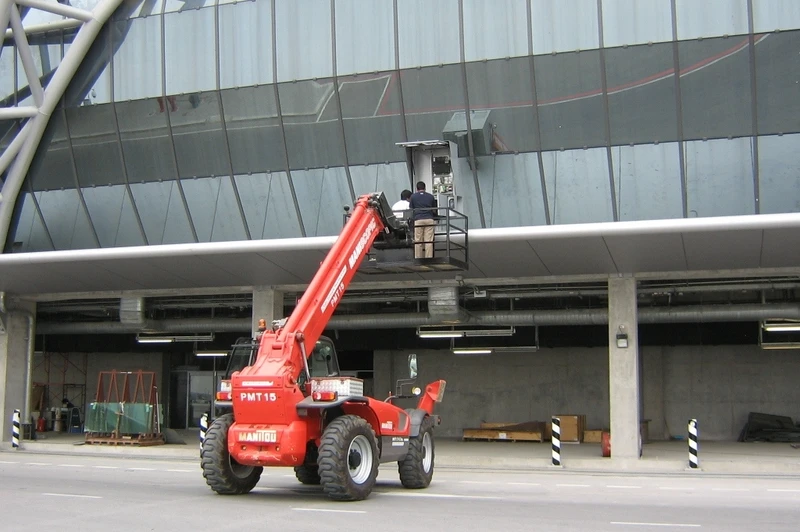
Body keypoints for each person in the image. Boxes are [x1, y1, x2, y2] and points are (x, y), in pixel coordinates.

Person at [409, 181, 437, 259]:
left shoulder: (413, 197)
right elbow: (434, 209)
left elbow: (411, 209)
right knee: (429, 241)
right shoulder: (431, 196)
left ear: (417, 188)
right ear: (425, 188)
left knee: (418, 241)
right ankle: (428, 258)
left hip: (418, 219)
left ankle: (418, 258)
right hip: (429, 219)